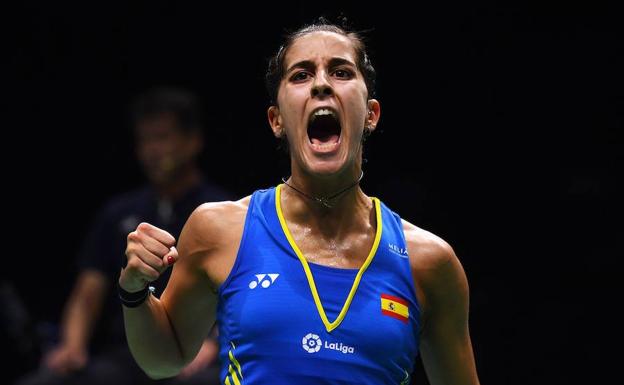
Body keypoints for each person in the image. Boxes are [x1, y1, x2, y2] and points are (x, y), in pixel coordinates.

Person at [119, 20, 481, 385]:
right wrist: (133, 292)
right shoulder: (219, 231)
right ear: (276, 121)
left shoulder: (429, 262)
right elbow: (163, 360)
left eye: (340, 71)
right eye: (301, 75)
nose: (322, 84)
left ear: (370, 114)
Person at [16, 87, 229, 385]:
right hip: (125, 355)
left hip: (192, 353)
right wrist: (72, 345)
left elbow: (238, 294)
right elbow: (88, 293)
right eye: (145, 140)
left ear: (193, 141)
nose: (152, 150)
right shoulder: (118, 213)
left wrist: (214, 344)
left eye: (162, 138)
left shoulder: (223, 211)